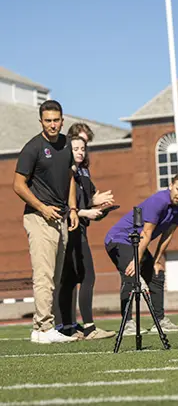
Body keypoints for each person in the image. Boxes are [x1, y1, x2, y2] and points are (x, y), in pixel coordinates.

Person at [13, 100, 80, 344]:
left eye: (56, 120)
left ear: (63, 120)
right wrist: (42, 208)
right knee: (43, 275)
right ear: (41, 121)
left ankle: (39, 329)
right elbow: (18, 185)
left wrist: (72, 208)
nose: (52, 124)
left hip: (60, 217)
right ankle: (44, 329)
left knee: (54, 276)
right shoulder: (33, 148)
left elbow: (70, 178)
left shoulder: (66, 146)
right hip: (38, 217)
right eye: (48, 120)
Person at [104, 174, 178, 335]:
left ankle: (160, 321)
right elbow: (147, 232)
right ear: (171, 185)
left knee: (157, 275)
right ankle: (127, 323)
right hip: (118, 239)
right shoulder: (158, 201)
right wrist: (136, 261)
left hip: (138, 243)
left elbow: (168, 235)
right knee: (131, 274)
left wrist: (157, 260)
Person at [58, 136, 116, 340]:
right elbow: (61, 207)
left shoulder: (83, 173)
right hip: (68, 230)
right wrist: (85, 212)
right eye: (76, 149)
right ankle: (84, 327)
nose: (80, 152)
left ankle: (70, 327)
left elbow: (86, 202)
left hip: (80, 229)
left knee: (73, 278)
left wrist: (98, 206)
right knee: (83, 277)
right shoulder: (64, 173)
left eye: (83, 148)